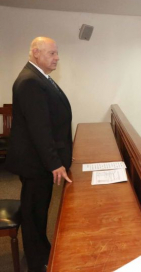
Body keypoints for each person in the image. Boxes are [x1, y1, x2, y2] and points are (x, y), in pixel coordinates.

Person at [6, 37, 73, 272]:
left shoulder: (40, 77)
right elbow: (39, 129)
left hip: (37, 160)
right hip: (35, 163)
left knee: (40, 209)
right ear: (36, 53)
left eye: (56, 53)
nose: (57, 58)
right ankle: (37, 261)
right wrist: (55, 163)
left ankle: (42, 249)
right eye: (52, 53)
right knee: (34, 211)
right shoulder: (30, 81)